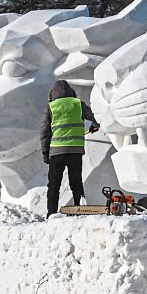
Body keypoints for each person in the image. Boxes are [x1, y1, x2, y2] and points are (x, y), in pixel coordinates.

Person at [39, 79, 99, 215]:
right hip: (75, 151)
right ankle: (79, 208)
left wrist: (45, 152)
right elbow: (96, 117)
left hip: (56, 152)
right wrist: (94, 126)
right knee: (76, 181)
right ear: (71, 92)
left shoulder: (51, 107)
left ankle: (51, 213)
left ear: (52, 94)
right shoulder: (78, 104)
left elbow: (44, 131)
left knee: (54, 184)